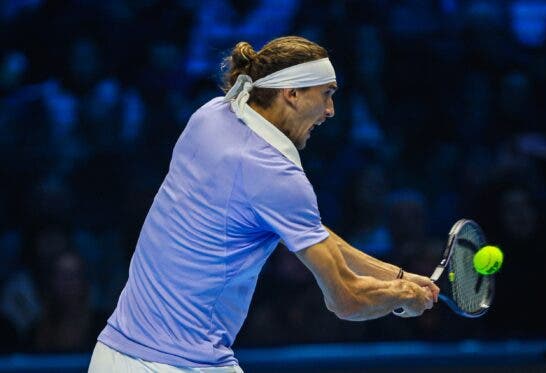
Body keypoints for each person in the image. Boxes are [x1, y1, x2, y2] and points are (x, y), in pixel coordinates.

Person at [88, 36, 439, 372]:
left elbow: (310, 232)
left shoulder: (210, 115)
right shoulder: (276, 174)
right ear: (292, 93)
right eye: (326, 95)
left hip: (112, 354)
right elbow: (345, 299)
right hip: (179, 364)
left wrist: (397, 275)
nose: (331, 111)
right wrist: (403, 296)